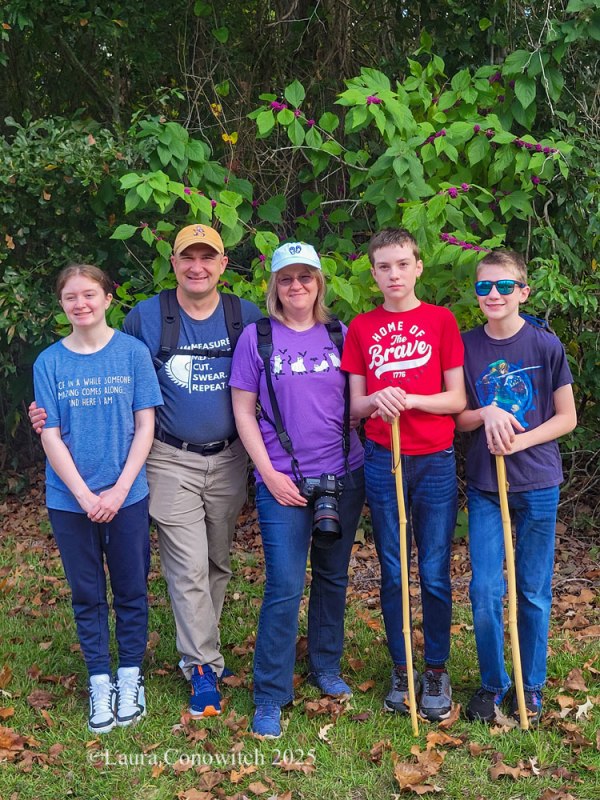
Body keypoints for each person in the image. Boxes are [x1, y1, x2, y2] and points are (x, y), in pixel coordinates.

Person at [30, 224, 262, 718]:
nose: (197, 266)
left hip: (229, 458)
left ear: (223, 264)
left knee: (217, 562)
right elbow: (115, 372)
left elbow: (274, 373)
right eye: (187, 257)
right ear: (174, 262)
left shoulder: (247, 316)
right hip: (168, 456)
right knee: (187, 565)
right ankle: (202, 665)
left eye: (208, 257)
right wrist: (45, 412)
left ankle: (201, 647)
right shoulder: (148, 318)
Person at [230, 242, 365, 738]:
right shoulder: (257, 338)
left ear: (319, 283)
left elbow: (357, 405)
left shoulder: (340, 334)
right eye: (287, 279)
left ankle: (325, 667)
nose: (297, 287)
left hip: (344, 476)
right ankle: (270, 692)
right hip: (282, 481)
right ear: (274, 286)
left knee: (333, 578)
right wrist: (267, 473)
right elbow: (244, 410)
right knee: (284, 585)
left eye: (306, 277)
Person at [341, 228, 466, 722]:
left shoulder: (440, 321)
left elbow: (456, 400)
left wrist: (411, 398)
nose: (394, 274)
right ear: (373, 274)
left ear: (418, 267)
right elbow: (354, 407)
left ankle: (435, 668)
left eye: (402, 264)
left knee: (434, 570)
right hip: (381, 457)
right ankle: (401, 666)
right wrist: (377, 399)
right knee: (392, 569)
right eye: (383, 267)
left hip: (434, 458)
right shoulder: (361, 327)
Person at [33, 264, 163, 734]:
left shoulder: (132, 353)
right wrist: (87, 495)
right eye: (71, 296)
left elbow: (145, 424)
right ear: (62, 304)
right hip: (71, 501)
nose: (80, 303)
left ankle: (130, 675)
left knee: (131, 589)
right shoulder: (48, 363)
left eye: (90, 294)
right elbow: (49, 434)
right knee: (87, 594)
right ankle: (99, 678)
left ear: (109, 298)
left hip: (127, 495)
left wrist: (121, 489)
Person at [456, 249, 576, 725]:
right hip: (487, 486)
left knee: (531, 591)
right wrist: (486, 413)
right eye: (484, 287)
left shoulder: (545, 345)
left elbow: (567, 419)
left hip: (538, 483)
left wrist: (520, 438)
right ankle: (492, 684)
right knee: (485, 590)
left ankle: (532, 686)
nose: (494, 295)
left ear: (523, 292)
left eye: (505, 286)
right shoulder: (467, 347)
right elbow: (460, 416)